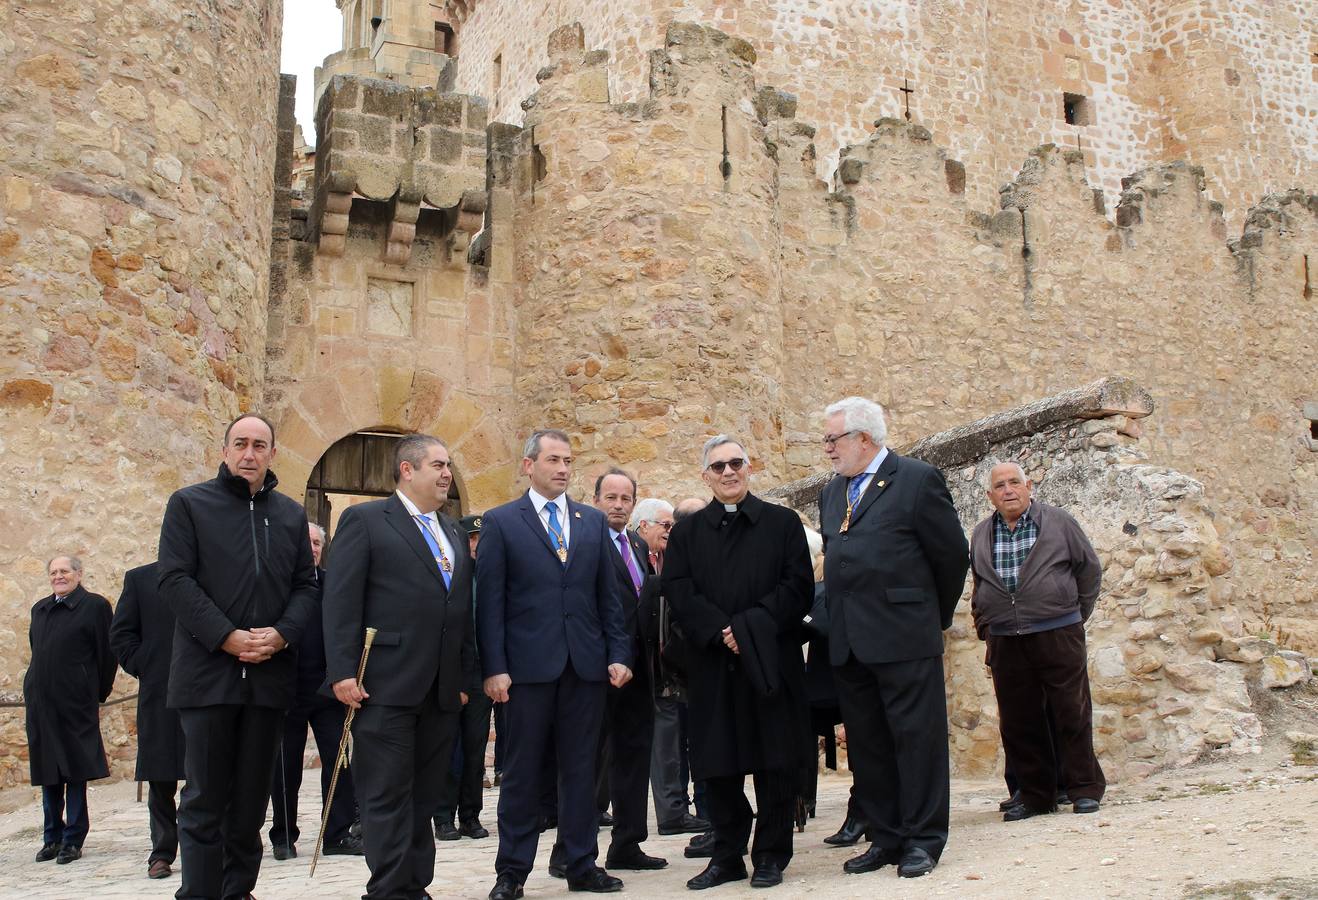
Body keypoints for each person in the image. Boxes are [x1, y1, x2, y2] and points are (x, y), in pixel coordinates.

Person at [158, 412, 318, 900]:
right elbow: (175, 580)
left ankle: (238, 891)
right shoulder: (189, 505)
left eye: (260, 445)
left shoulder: (290, 515)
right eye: (241, 444)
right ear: (225, 450)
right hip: (208, 677)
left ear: (272, 453)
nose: (250, 454)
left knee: (250, 804)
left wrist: (283, 634)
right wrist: (226, 636)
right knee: (205, 800)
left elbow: (306, 587)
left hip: (268, 680)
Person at [477, 429, 632, 900]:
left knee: (582, 770)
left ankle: (581, 862)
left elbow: (610, 597)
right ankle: (512, 872)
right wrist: (494, 667)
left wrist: (619, 653)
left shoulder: (591, 522)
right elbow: (490, 603)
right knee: (522, 772)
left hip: (585, 668)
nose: (563, 469)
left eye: (568, 461)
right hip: (525, 671)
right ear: (528, 466)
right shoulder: (502, 522)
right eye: (553, 460)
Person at [323, 433, 479, 899]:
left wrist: (465, 677)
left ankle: (415, 884)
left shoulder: (452, 530)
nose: (447, 473)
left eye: (448, 464)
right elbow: (341, 601)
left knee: (424, 795)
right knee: (387, 794)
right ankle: (388, 890)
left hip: (441, 689)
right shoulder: (366, 520)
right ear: (407, 470)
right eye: (437, 464)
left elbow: (462, 611)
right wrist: (342, 671)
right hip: (384, 684)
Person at [819, 396, 969, 879]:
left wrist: (929, 617)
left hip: (904, 638)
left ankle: (924, 840)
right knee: (869, 745)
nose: (827, 449)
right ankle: (885, 838)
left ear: (865, 439)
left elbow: (950, 557)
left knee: (916, 741)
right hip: (850, 642)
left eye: (832, 439)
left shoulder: (917, 480)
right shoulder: (832, 492)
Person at [662, 435, 814, 890]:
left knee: (776, 762)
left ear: (750, 468)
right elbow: (678, 588)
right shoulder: (688, 532)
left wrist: (748, 629)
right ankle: (727, 854)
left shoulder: (782, 523)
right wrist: (721, 632)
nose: (728, 472)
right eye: (718, 466)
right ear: (705, 475)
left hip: (771, 661)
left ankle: (770, 854)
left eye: (736, 463)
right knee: (717, 764)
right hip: (714, 664)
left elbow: (797, 587)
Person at [970, 462, 1105, 821]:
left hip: (1057, 630)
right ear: (990, 496)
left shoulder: (1058, 522)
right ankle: (1035, 796)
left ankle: (1083, 789)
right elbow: (980, 583)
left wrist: (1073, 613)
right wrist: (985, 624)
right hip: (1006, 637)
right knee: (1019, 720)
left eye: (1015, 482)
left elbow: (1088, 570)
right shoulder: (982, 533)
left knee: (1071, 711)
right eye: (1000, 486)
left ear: (1028, 486)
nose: (1008, 490)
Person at [586, 470, 666, 871]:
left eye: (626, 498)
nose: (618, 505)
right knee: (589, 760)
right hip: (597, 668)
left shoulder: (636, 543)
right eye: (611, 497)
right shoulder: (584, 541)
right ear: (596, 499)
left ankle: (627, 843)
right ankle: (572, 852)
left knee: (634, 754)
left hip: (639, 668)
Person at [268, 523, 362, 860]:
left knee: (339, 762)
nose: (312, 547)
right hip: (285, 690)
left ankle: (336, 834)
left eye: (317, 542)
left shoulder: (333, 586)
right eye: (306, 542)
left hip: (325, 689)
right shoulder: (277, 585)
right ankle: (283, 836)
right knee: (284, 767)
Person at [25, 555, 116, 866]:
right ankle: (52, 836)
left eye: (64, 571)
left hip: (75, 703)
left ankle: (73, 839)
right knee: (47, 770)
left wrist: (95, 693)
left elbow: (107, 655)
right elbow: (37, 651)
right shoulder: (40, 608)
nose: (58, 576)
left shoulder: (95, 606)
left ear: (79, 574)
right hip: (41, 703)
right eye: (53, 572)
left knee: (75, 769)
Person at [110, 560, 187, 878]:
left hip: (207, 689)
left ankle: (211, 848)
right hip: (160, 693)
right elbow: (121, 635)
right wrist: (146, 663)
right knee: (161, 779)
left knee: (208, 775)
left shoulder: (211, 573)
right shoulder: (140, 579)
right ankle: (162, 852)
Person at [798, 528, 867, 848]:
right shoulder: (806, 591)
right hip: (813, 681)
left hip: (836, 680)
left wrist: (806, 619)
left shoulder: (825, 589)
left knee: (866, 743)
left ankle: (866, 809)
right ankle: (803, 800)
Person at [435, 513, 494, 842]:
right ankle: (442, 815)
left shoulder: (491, 576)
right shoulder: (450, 575)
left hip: (481, 671)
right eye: (471, 539)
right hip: (451, 671)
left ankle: (470, 814)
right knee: (447, 747)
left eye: (480, 540)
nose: (476, 545)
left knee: (474, 748)